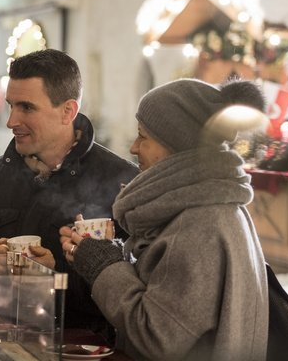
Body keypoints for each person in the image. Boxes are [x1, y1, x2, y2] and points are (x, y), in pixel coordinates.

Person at [60, 78, 269, 360]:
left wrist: (103, 265)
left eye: (143, 136)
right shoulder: (213, 202)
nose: (134, 147)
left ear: (177, 149)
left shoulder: (200, 224)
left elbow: (158, 337)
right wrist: (114, 256)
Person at [0, 49, 139, 339]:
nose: (11, 120)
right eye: (11, 105)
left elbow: (135, 294)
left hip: (81, 350)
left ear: (68, 111)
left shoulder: (121, 181)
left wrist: (55, 277)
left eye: (26, 107)